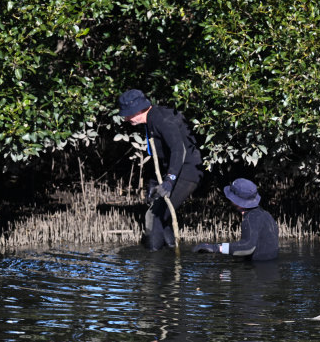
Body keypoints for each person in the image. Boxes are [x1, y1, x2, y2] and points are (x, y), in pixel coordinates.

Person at [118, 89, 203, 251]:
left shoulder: (160, 119)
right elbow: (160, 157)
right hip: (175, 170)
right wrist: (154, 185)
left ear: (138, 110)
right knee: (161, 214)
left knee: (155, 216)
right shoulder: (152, 118)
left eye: (128, 114)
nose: (126, 118)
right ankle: (170, 255)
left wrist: (169, 181)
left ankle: (153, 261)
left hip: (187, 171)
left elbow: (179, 150)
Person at [192, 178, 278, 261]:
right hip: (269, 268)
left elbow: (248, 247)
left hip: (258, 271)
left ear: (237, 201)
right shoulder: (264, 214)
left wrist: (216, 248)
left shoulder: (250, 218)